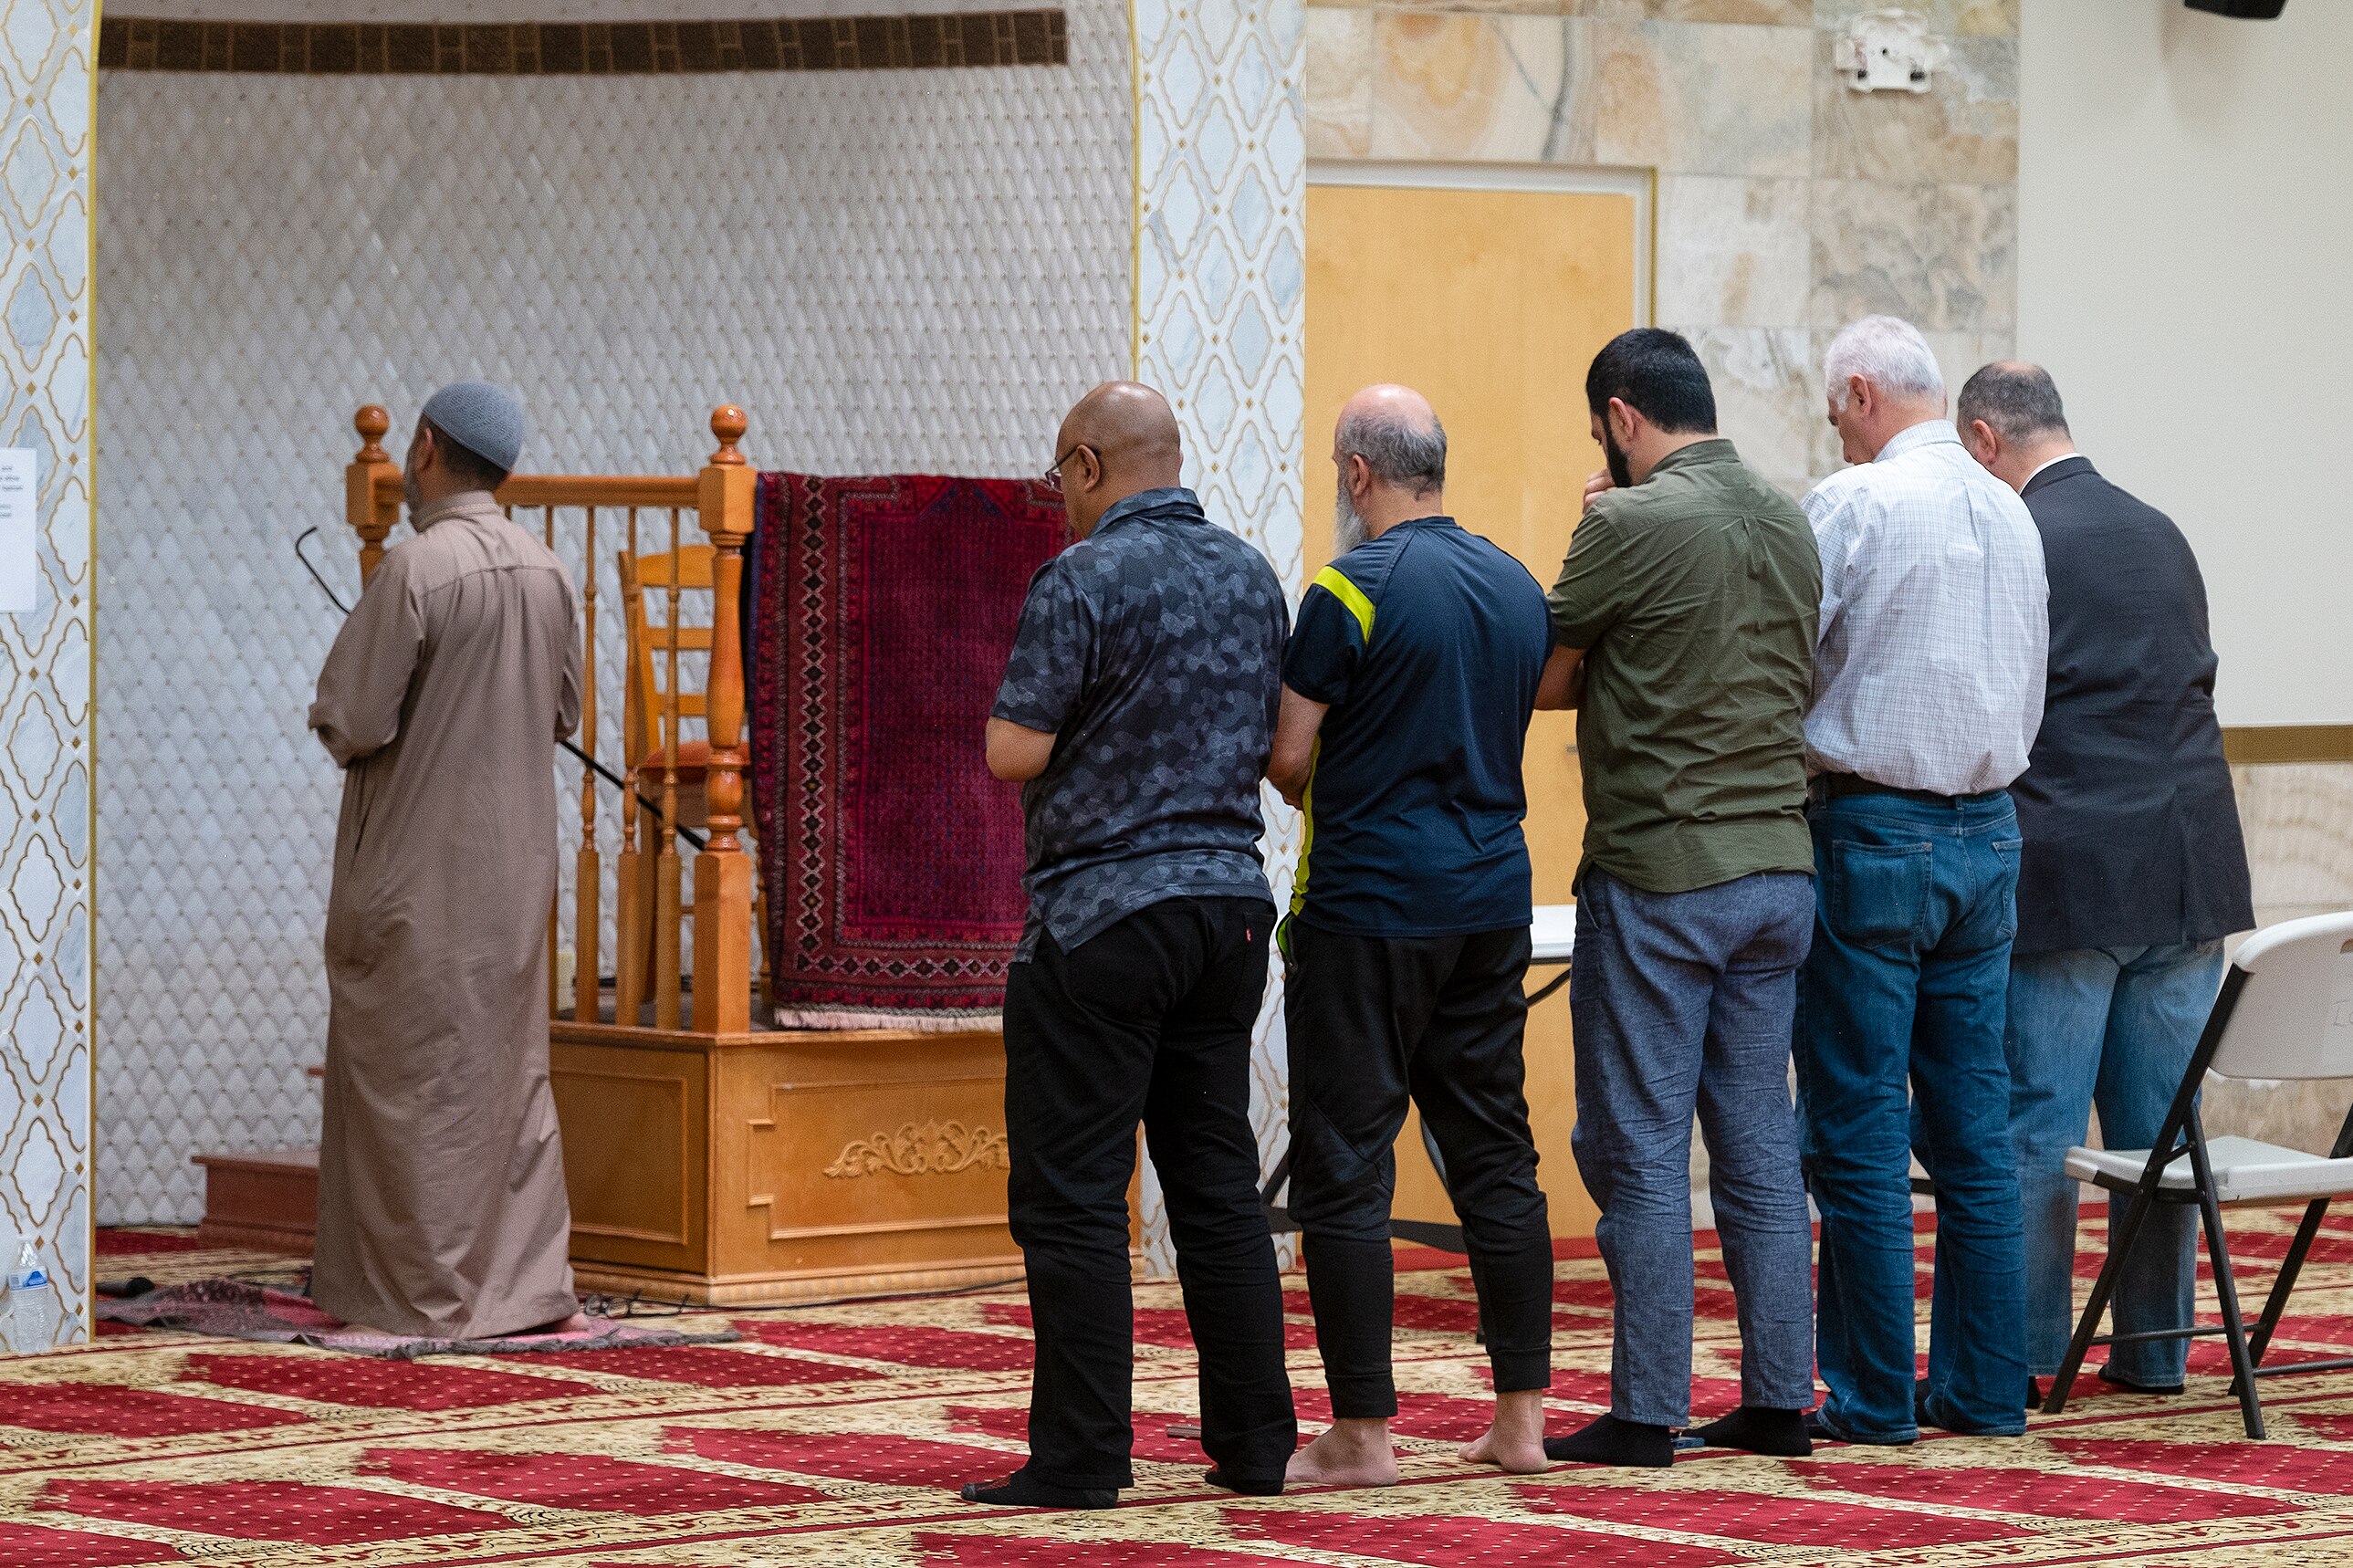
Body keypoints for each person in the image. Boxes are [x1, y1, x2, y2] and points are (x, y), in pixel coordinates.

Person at [967, 382, 1296, 1511]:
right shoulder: (1252, 573)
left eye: (1060, 473)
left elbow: (1014, 748)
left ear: (1092, 466)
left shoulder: (1083, 577)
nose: (1057, 496)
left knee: (1070, 1195)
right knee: (1215, 1185)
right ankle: (1256, 1442)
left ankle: (1080, 1456)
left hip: (1101, 921)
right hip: (1228, 913)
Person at [1536, 329, 1821, 1467]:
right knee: (1757, 1145)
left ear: (1618, 416)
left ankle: (1646, 1407)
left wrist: (1595, 529)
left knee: (1639, 1145)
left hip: (1662, 871)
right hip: (1780, 873)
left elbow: (1550, 673)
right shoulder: (1792, 519)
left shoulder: (1622, 522)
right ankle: (1777, 1398)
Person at [1271, 383, 1556, 1486]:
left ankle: (1361, 1433)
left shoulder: (1346, 585)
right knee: (1494, 1152)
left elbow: (1290, 759)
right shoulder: (1515, 583)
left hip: (1366, 911)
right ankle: (1521, 1419)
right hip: (1490, 904)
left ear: (1356, 473)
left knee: (1346, 1166)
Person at [1958, 361, 2253, 1400]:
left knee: (2037, 1126)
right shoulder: (2159, 528)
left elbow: (1998, 703)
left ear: (1986, 441)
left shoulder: (2016, 535)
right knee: (2158, 1132)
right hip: (2187, 866)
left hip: (2071, 871)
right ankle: (2156, 1352)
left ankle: (2031, 1357)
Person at [1797, 317, 2047, 1444]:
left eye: (1833, 411)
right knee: (1973, 1130)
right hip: (1991, 832)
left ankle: (1870, 1398)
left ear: (1859, 395)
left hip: (1874, 830)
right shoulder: (2011, 507)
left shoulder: (1852, 505)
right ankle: (1988, 1392)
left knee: (1855, 1122)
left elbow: (1787, 657)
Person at [309, 381, 588, 1339]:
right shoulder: (549, 571)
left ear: (425, 447)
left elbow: (351, 720)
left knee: (412, 1078)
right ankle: (519, 1288)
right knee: (503, 1079)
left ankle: (416, 1295)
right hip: (514, 874)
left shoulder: (418, 569)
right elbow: (564, 712)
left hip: (417, 870)